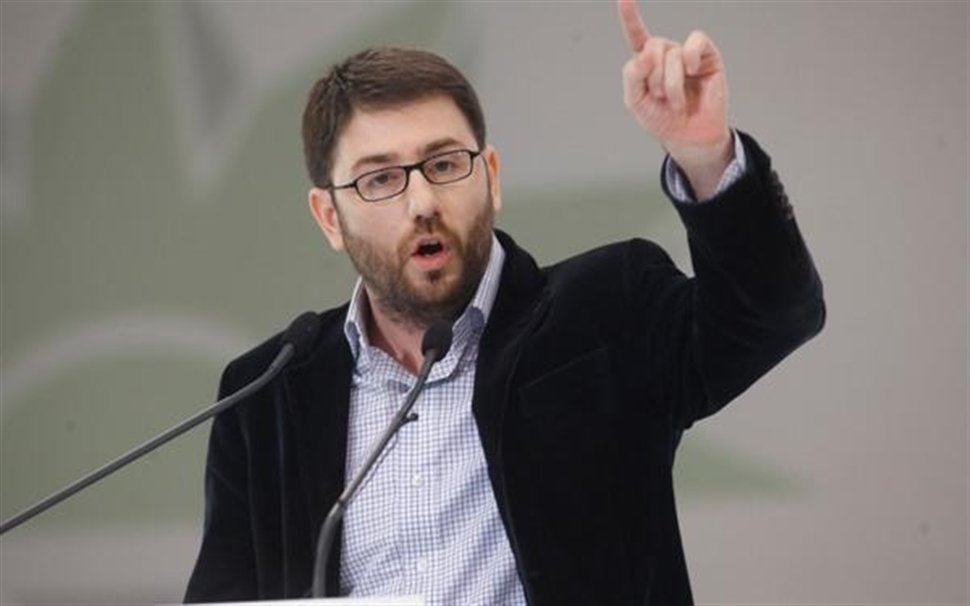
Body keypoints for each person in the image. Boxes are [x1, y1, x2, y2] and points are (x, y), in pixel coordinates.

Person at [185, 1, 824, 604]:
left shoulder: (607, 313)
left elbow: (774, 313)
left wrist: (706, 155)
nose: (422, 203)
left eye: (444, 165)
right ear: (330, 216)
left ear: (490, 177)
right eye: (380, 178)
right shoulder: (267, 397)